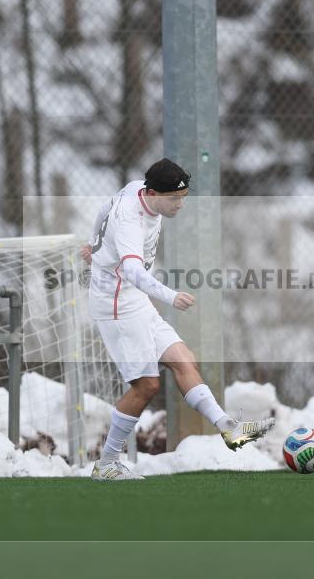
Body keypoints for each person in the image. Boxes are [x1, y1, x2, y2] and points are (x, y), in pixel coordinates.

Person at [81, 157, 274, 481]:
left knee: (184, 360)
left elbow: (105, 208)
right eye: (174, 198)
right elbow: (132, 270)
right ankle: (107, 464)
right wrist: (171, 296)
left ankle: (229, 430)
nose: (180, 204)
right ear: (153, 193)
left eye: (183, 197)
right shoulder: (131, 221)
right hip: (116, 305)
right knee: (146, 386)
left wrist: (93, 243)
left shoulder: (135, 190)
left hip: (133, 299)